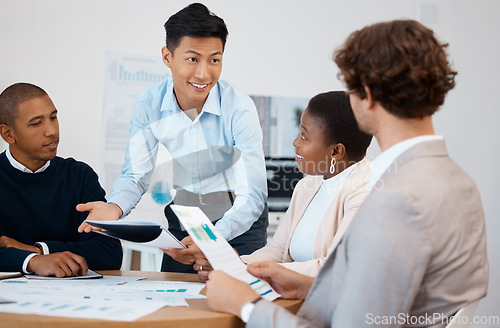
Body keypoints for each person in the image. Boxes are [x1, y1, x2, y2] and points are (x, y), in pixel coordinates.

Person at [204, 19, 489, 327]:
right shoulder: (461, 183)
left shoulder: (393, 200)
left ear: (366, 95)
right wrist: (307, 285)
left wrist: (246, 306)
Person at [77, 3, 268, 273]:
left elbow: (253, 195)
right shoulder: (149, 103)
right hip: (187, 214)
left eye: (214, 59)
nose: (204, 74)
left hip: (238, 218)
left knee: (237, 297)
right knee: (175, 294)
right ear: (168, 57)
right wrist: (115, 208)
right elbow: (136, 174)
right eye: (193, 59)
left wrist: (212, 238)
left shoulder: (239, 107)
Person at [195, 91, 372, 281]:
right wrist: (235, 266)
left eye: (304, 137)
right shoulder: (308, 185)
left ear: (336, 151)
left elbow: (333, 267)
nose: (295, 142)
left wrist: (249, 271)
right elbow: (278, 249)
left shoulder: (365, 192)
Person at [0, 83, 123, 277]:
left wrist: (39, 251)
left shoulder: (79, 175)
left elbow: (109, 253)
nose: (51, 131)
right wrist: (33, 262)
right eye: (36, 123)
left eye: (53, 117)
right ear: (8, 134)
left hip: (73, 298)